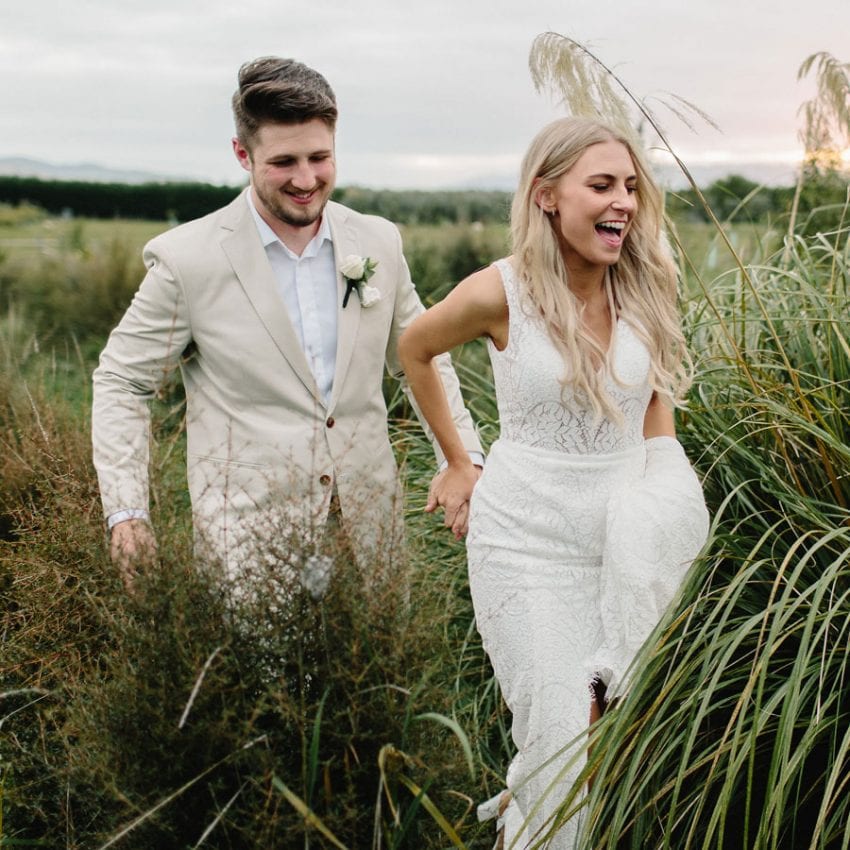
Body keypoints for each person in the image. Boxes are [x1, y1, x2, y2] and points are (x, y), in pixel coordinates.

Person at [398, 116, 709, 848]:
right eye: (601, 185)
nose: (623, 203)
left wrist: (667, 503)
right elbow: (416, 348)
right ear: (546, 196)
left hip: (620, 548)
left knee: (598, 749)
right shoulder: (501, 291)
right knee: (558, 736)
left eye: (630, 187)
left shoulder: (649, 284)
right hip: (525, 545)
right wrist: (458, 460)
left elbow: (655, 409)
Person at [92, 56, 483, 592]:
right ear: (241, 154)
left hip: (371, 535)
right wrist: (127, 512)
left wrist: (461, 458)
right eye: (283, 162)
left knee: (373, 678)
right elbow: (121, 380)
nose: (306, 180)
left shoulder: (378, 243)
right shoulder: (188, 260)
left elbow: (423, 356)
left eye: (320, 157)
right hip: (248, 545)